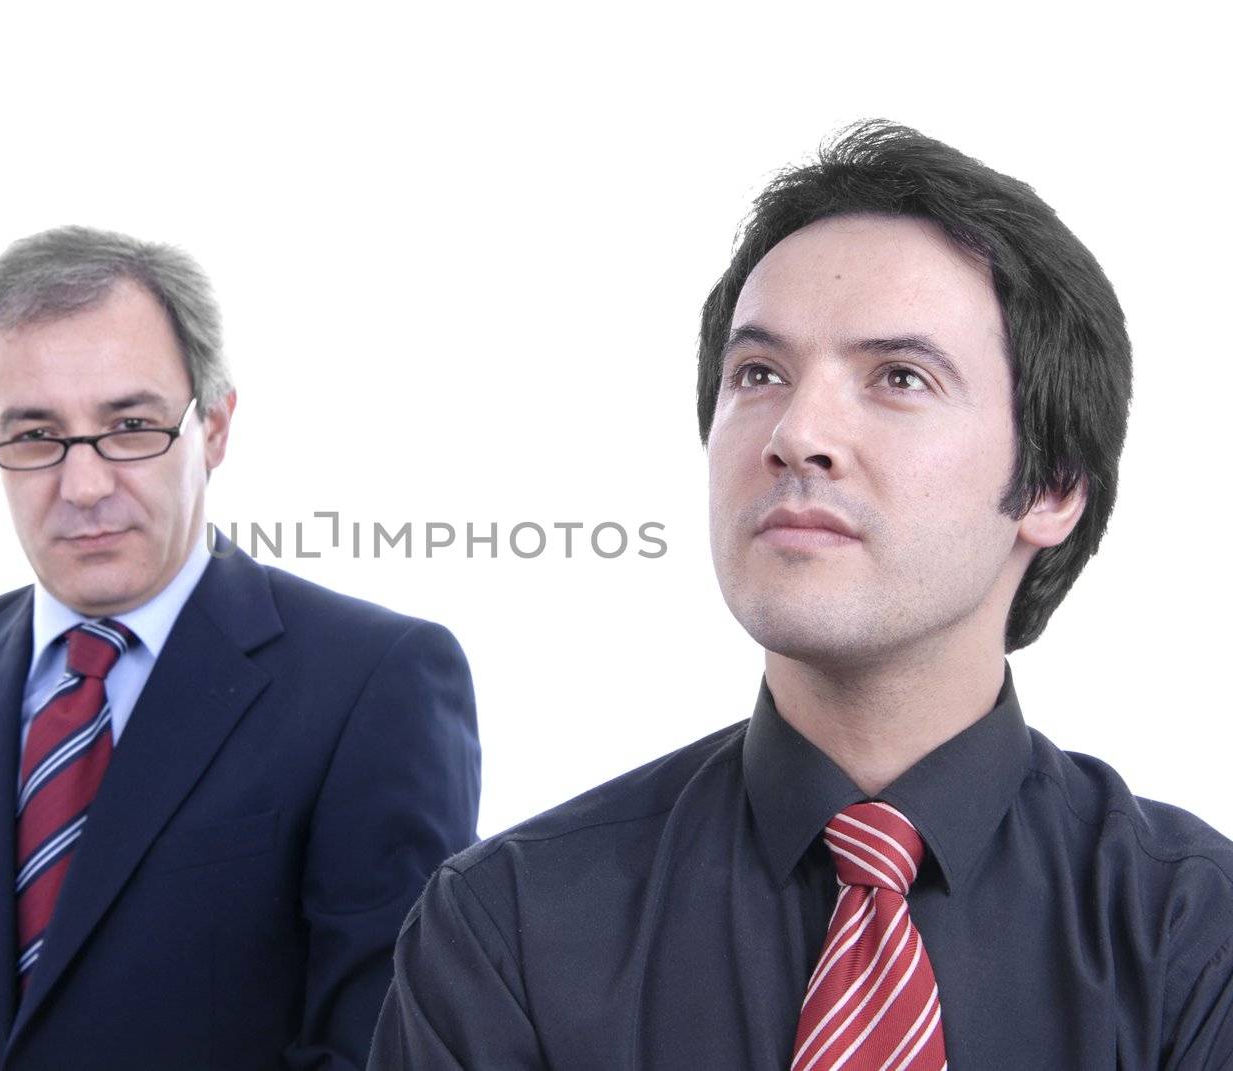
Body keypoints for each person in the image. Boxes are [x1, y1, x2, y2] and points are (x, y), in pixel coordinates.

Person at [369, 123, 1233, 1069]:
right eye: (759, 374)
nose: (795, 431)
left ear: (1052, 486)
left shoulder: (1194, 937)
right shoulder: (512, 929)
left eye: (899, 377)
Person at [0, 226, 481, 1069]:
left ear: (215, 426)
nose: (84, 485)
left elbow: (377, 1045)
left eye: (131, 425)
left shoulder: (373, 682)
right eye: (35, 434)